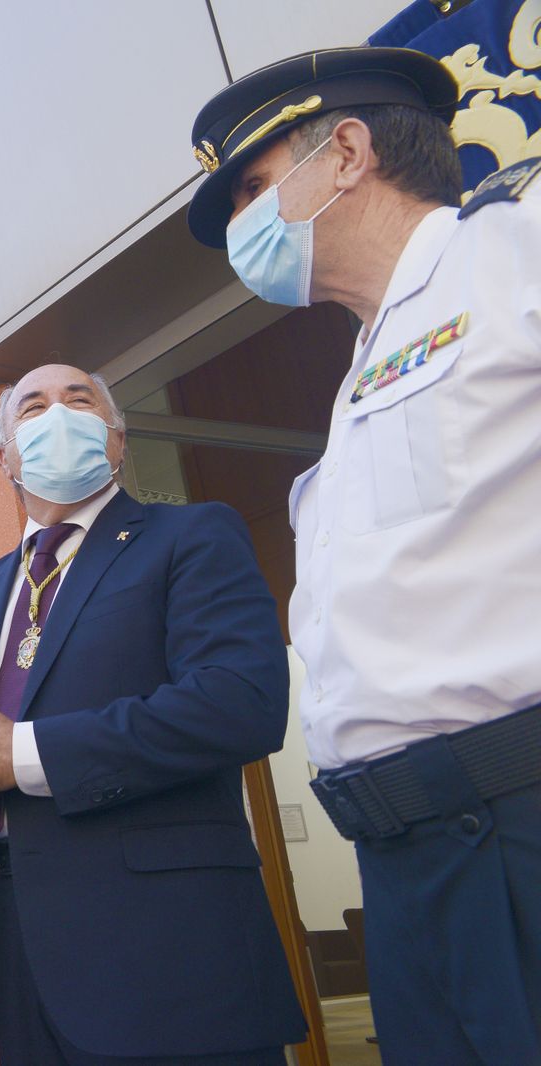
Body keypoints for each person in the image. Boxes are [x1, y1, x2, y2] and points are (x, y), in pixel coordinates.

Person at [186, 45, 541, 1064]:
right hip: (405, 859)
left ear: (344, 151)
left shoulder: (510, 255)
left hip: (510, 819)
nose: (243, 228)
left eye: (253, 188)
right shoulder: (358, 375)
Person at [0, 366, 305, 1065]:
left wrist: (23, 754)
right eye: (32, 407)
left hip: (166, 960)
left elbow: (241, 702)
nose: (58, 414)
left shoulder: (190, 536)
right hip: (18, 956)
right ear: (3, 458)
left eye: (79, 400)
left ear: (116, 441)